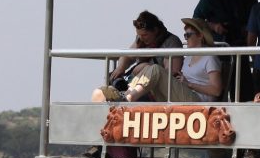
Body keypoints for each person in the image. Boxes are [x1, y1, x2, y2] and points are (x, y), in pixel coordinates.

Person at [92, 18, 222, 104]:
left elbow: (216, 90)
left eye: (188, 35)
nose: (186, 38)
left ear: (200, 36)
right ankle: (124, 94)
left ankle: (127, 98)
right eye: (185, 35)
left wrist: (189, 85)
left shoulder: (210, 57)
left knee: (156, 69)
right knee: (150, 69)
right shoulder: (188, 57)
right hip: (184, 94)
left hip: (198, 101)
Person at [193, 0, 258, 101]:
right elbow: (196, 20)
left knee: (244, 93)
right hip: (217, 50)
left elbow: (256, 21)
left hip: (241, 50)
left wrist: (247, 29)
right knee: (218, 92)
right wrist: (214, 26)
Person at [106, 11, 183, 88]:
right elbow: (128, 56)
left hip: (153, 87)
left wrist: (147, 69)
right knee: (105, 88)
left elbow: (170, 75)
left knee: (146, 67)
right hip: (136, 81)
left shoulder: (171, 42)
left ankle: (128, 87)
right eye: (139, 35)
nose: (141, 38)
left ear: (155, 30)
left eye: (145, 35)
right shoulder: (140, 40)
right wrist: (120, 68)